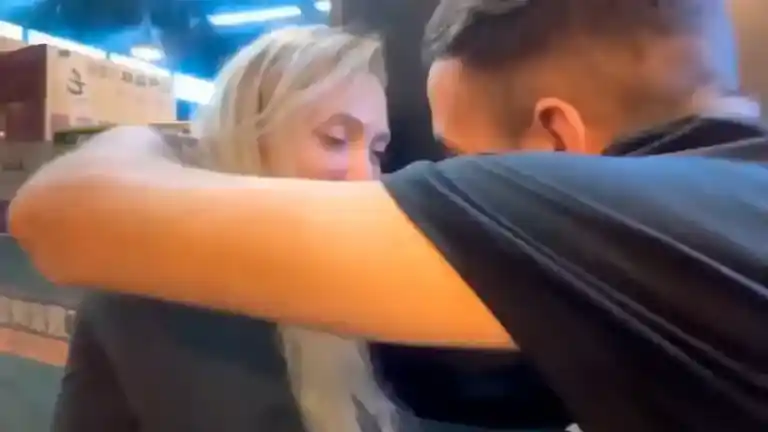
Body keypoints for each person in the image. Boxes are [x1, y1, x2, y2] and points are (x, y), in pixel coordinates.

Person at [10, 1, 768, 431]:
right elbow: (63, 217)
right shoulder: (735, 203)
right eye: (334, 139)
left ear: (557, 145)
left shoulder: (639, 234)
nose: (371, 178)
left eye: (463, 166)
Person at [51, 26, 399, 432]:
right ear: (253, 138)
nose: (366, 177)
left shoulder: (314, 280)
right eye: (335, 140)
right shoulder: (163, 286)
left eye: (376, 152)